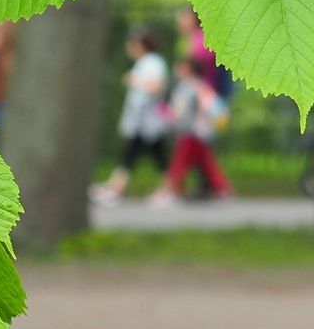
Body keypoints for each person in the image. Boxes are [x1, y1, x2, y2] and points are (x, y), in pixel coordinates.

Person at [93, 25, 170, 203]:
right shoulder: (146, 62)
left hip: (148, 120)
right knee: (153, 155)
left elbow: (156, 86)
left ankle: (116, 188)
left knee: (136, 153)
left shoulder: (153, 62)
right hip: (142, 120)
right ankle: (167, 188)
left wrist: (135, 81)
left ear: (140, 44)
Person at [152, 52, 231, 204]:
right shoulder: (199, 86)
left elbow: (179, 112)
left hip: (192, 132)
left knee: (179, 162)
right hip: (199, 132)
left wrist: (167, 116)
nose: (177, 70)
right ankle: (222, 189)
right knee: (206, 163)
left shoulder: (190, 87)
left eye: (181, 67)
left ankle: (170, 191)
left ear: (188, 69)